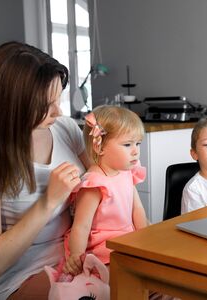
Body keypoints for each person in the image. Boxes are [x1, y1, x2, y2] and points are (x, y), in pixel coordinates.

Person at [0, 41, 90, 300]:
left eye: (58, 99)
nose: (58, 112)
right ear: (10, 105)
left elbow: (100, 184)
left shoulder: (65, 129)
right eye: (46, 104)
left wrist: (110, 148)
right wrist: (48, 201)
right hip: (24, 275)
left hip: (81, 252)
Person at [62, 105, 149, 276]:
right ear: (99, 147)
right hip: (102, 245)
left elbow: (137, 209)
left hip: (125, 237)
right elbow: (81, 225)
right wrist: (76, 256)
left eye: (137, 143)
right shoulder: (94, 183)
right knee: (125, 277)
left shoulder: (126, 172)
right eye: (127, 144)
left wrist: (145, 237)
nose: (135, 151)